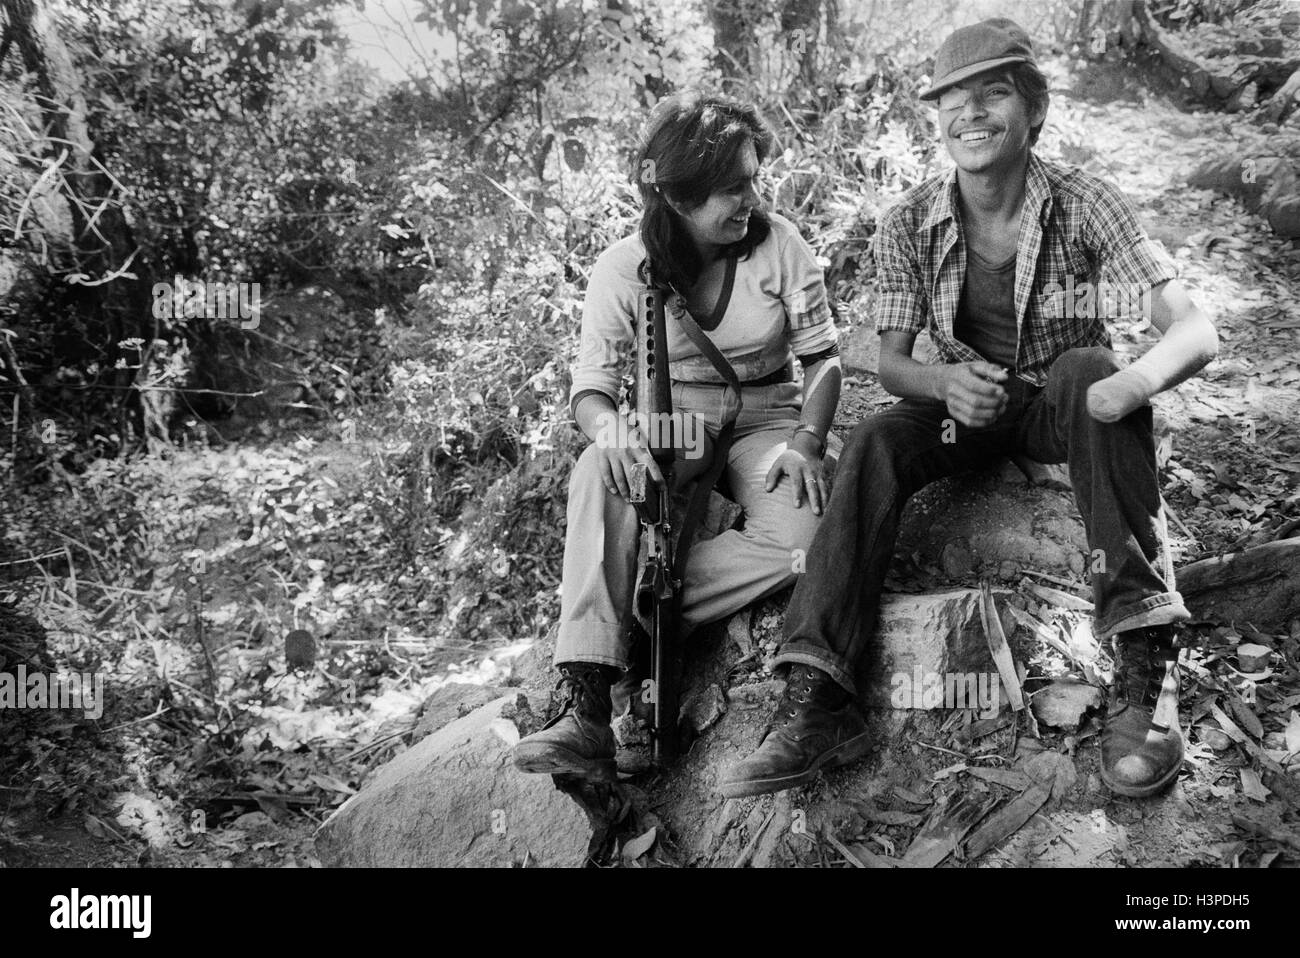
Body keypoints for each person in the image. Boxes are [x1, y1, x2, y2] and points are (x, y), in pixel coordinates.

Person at [721, 18, 1218, 801]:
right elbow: (888, 361)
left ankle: (1147, 662)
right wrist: (942, 385)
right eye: (954, 101)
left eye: (995, 94)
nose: (972, 114)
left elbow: (1192, 326)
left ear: (1035, 112)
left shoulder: (1087, 203)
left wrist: (1130, 385)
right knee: (879, 436)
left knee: (1091, 368)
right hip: (964, 411)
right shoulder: (910, 222)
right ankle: (818, 698)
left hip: (1061, 407)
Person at [512, 92, 845, 780]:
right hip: (672, 422)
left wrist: (808, 439)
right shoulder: (622, 267)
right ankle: (585, 700)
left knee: (799, 540)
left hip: (770, 419)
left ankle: (634, 617)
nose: (754, 197)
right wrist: (608, 431)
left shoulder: (781, 246)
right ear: (679, 196)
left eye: (755, 179)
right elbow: (592, 387)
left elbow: (823, 357)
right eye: (733, 187)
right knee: (596, 473)